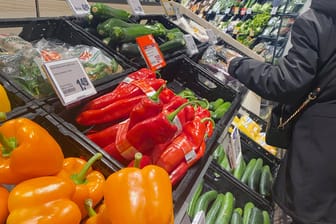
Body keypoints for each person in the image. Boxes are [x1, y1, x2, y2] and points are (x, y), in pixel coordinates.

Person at [227, 0, 336, 223]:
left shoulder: (317, 21)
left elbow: (286, 83)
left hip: (318, 144)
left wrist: (237, 64)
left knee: (310, 212)